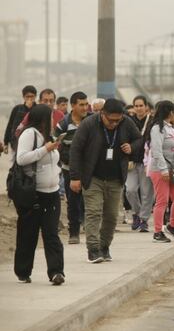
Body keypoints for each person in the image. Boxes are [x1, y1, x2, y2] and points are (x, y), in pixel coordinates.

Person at [69, 98, 142, 263]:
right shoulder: (89, 124)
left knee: (111, 216)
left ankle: (104, 246)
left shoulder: (126, 122)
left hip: (116, 178)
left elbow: (139, 139)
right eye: (111, 120)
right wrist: (75, 177)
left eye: (118, 120)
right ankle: (93, 250)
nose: (114, 124)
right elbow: (76, 149)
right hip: (93, 176)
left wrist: (132, 147)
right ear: (102, 114)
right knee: (94, 213)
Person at [14, 105, 65, 285]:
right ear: (43, 118)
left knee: (51, 233)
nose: (54, 120)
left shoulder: (48, 135)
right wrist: (45, 150)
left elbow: (52, 161)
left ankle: (56, 271)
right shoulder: (30, 134)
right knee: (29, 234)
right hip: (33, 194)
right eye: (51, 117)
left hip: (52, 193)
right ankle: (23, 271)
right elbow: (21, 158)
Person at [147, 101, 174, 243]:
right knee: (162, 201)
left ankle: (173, 225)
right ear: (170, 112)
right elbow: (156, 151)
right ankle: (158, 232)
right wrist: (163, 169)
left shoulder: (171, 128)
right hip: (160, 170)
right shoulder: (157, 129)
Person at [55, 91, 90, 244]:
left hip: (89, 170)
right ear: (73, 106)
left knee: (91, 200)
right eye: (81, 105)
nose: (84, 108)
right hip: (69, 169)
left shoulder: (91, 121)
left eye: (86, 104)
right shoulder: (63, 124)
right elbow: (54, 143)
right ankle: (74, 232)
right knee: (73, 201)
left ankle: (90, 229)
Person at [126, 95, 154, 232]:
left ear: (146, 107)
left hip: (147, 162)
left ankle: (144, 220)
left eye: (141, 105)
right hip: (131, 162)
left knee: (146, 192)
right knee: (130, 190)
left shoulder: (152, 122)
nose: (138, 108)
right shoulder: (128, 122)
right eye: (136, 106)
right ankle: (136, 213)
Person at [5, 85, 37, 153]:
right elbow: (10, 125)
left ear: (35, 96)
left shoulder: (38, 109)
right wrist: (6, 142)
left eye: (32, 96)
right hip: (16, 143)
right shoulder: (17, 109)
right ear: (23, 97)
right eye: (27, 96)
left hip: (33, 145)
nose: (30, 98)